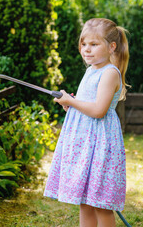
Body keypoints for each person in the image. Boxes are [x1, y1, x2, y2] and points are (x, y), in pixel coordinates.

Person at [44, 18, 129, 227]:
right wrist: (71, 105)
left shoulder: (109, 73)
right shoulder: (91, 69)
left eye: (94, 44)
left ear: (111, 47)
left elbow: (99, 110)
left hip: (100, 145)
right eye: (84, 44)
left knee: (101, 204)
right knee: (85, 201)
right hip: (85, 145)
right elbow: (86, 103)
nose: (87, 50)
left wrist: (72, 101)